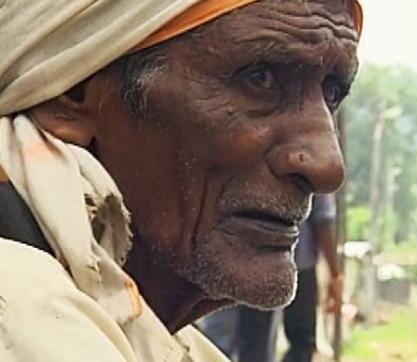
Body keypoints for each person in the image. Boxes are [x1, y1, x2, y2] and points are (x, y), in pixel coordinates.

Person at [0, 1, 362, 361]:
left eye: (331, 95)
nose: (329, 167)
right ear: (73, 89)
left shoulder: (139, 333)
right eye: (261, 79)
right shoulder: (22, 320)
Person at [202, 193, 342, 362]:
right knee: (269, 344)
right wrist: (335, 274)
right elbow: (323, 216)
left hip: (240, 252)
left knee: (228, 341)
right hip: (277, 259)